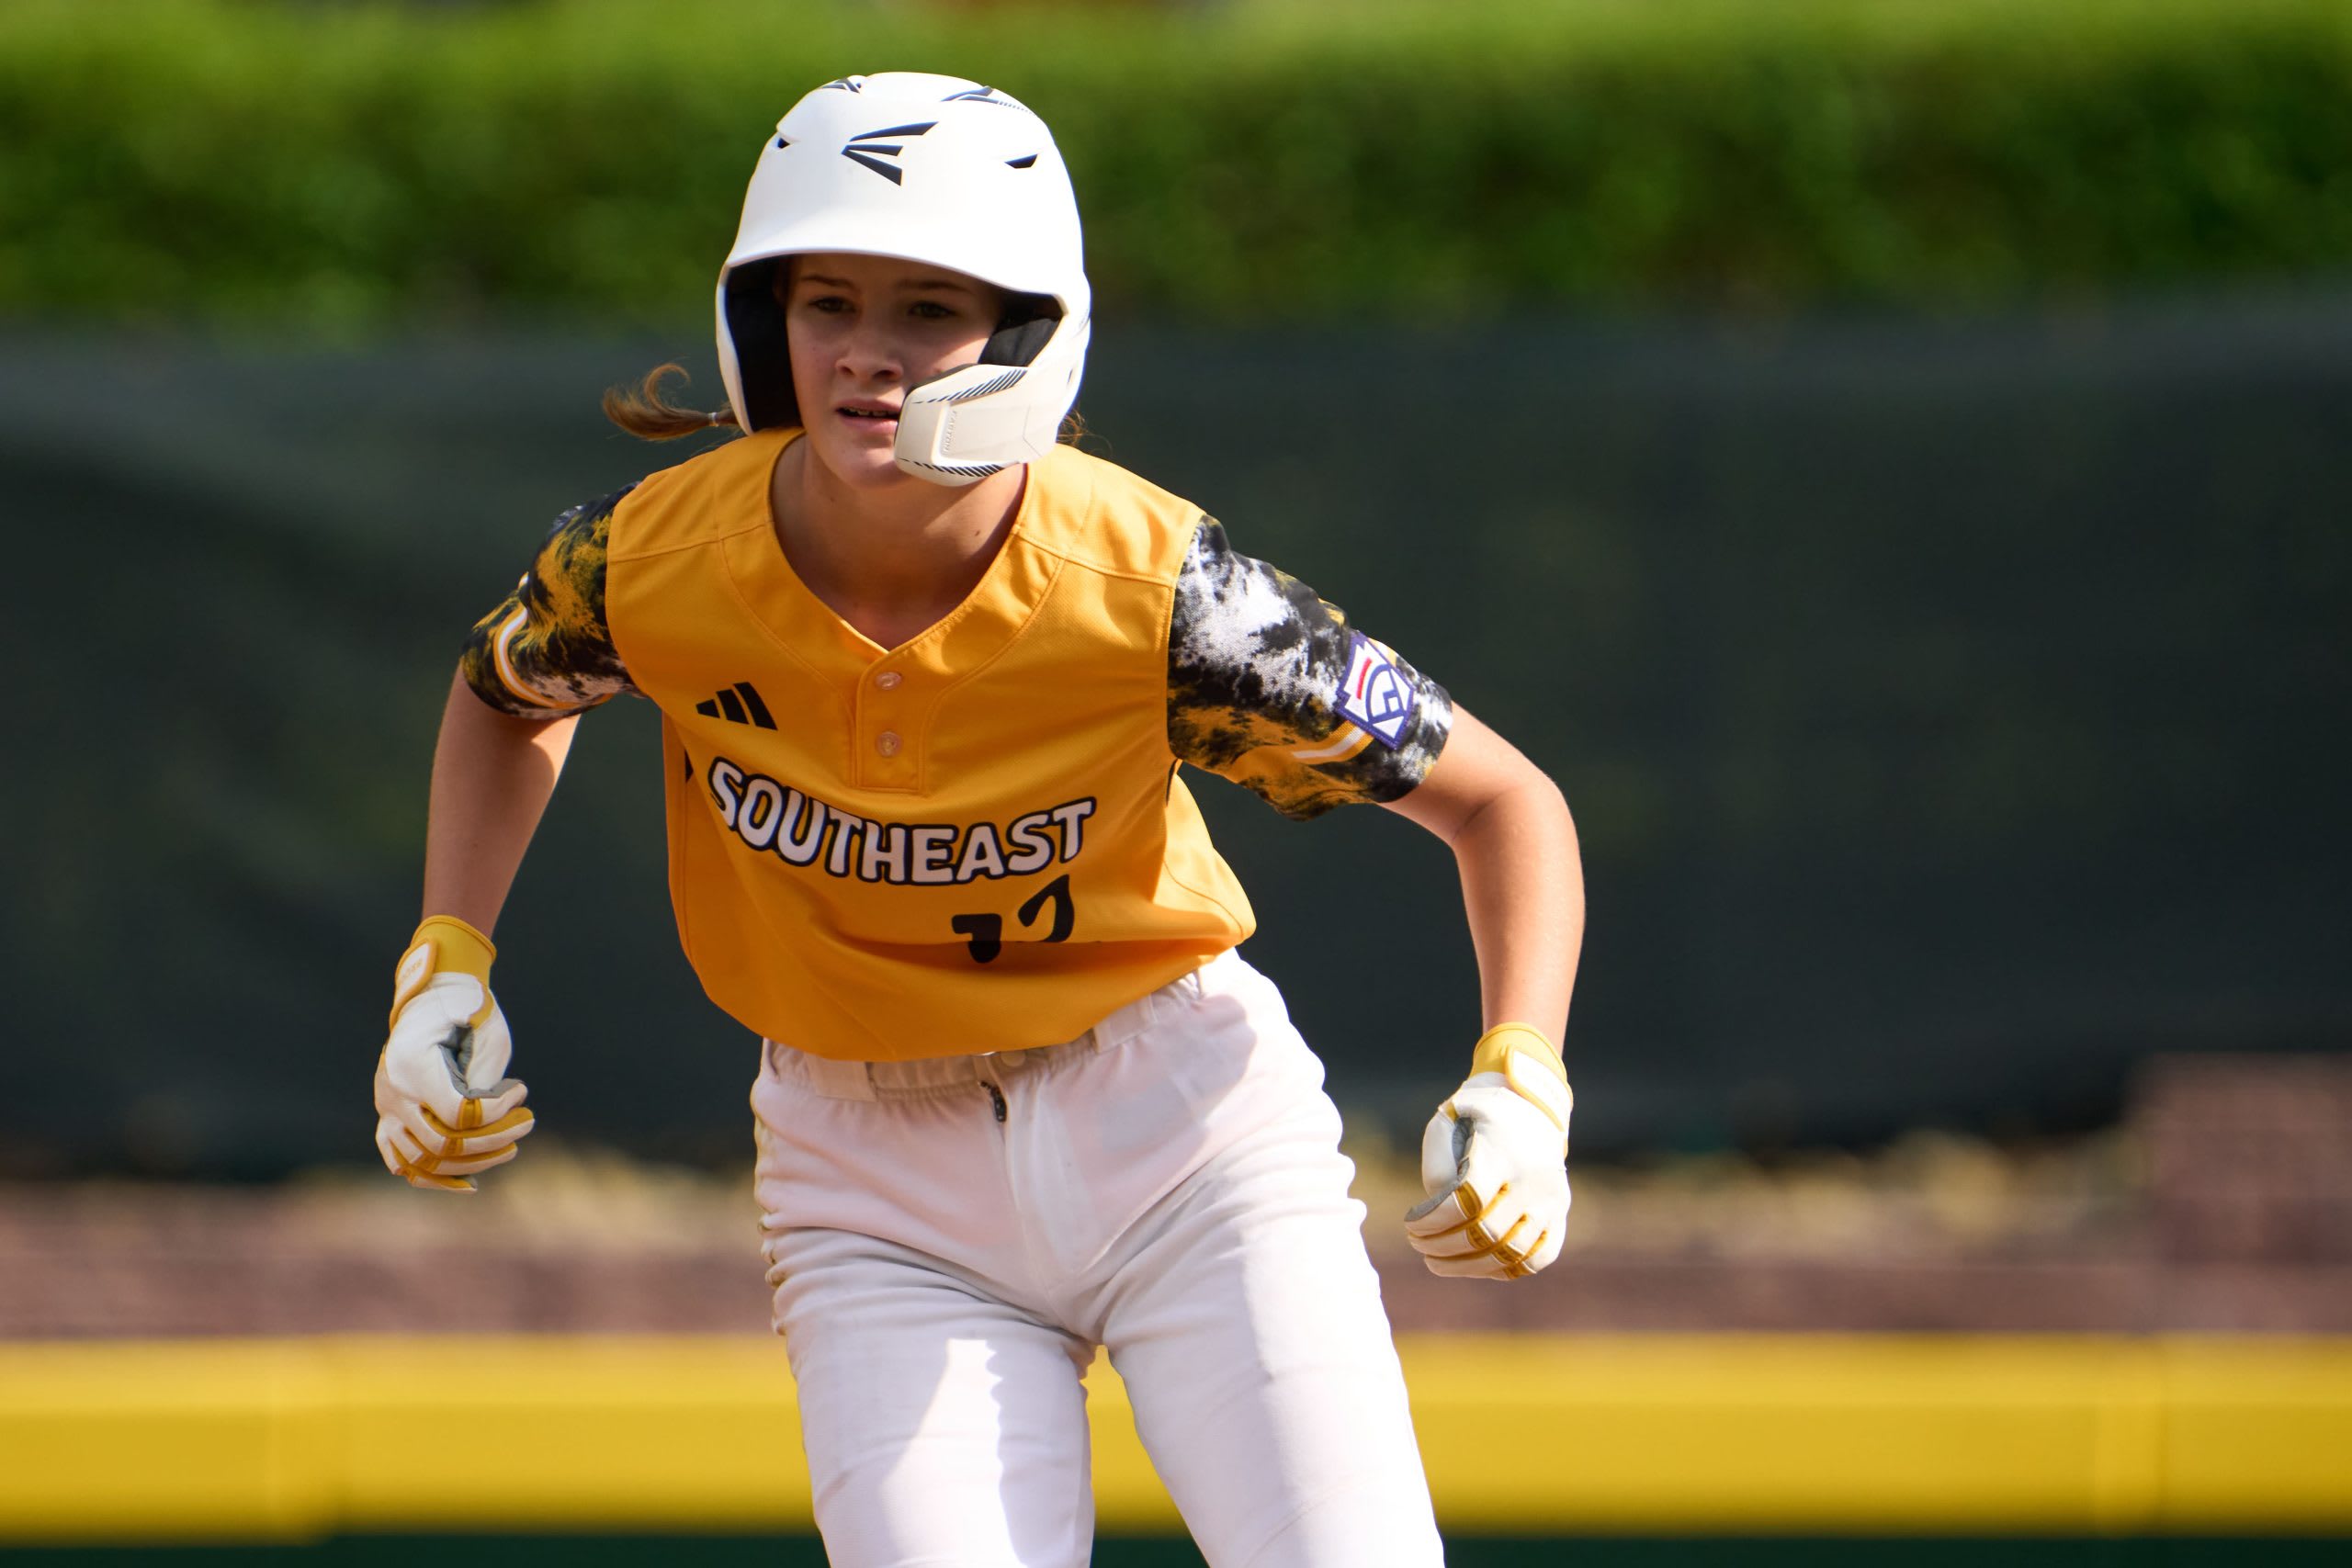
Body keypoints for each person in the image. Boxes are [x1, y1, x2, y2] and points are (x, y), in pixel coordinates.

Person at [371, 72, 1583, 1568]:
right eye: (827, 301)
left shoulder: (1159, 591)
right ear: (763, 323)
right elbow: (506, 695)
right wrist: (447, 954)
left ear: (1032, 333)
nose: (868, 356)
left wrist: (1525, 1078)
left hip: (1186, 1132)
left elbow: (1505, 802)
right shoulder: (651, 562)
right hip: (867, 1181)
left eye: (930, 308)